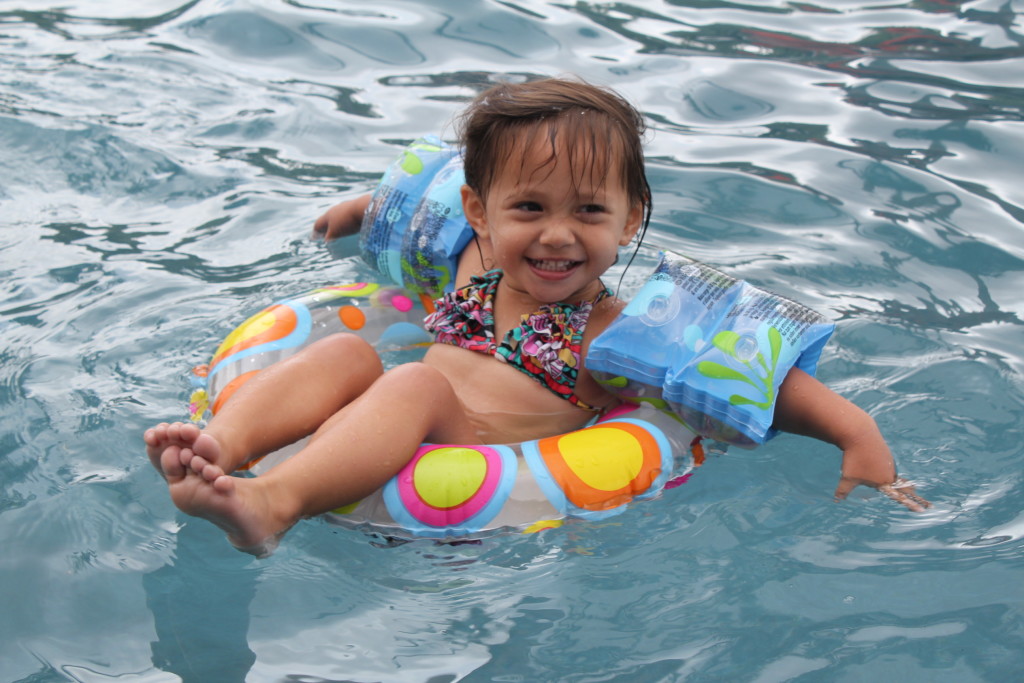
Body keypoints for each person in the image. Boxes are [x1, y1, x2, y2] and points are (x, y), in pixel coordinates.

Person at [144, 77, 928, 556]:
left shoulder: (617, 333)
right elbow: (413, 210)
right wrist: (360, 213)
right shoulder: (472, 262)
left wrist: (858, 436)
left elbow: (765, 383)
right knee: (350, 362)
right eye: (529, 208)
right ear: (480, 212)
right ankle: (220, 448)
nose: (557, 234)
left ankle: (270, 505)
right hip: (399, 415)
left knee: (412, 387)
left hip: (476, 451)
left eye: (589, 210)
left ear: (630, 220)